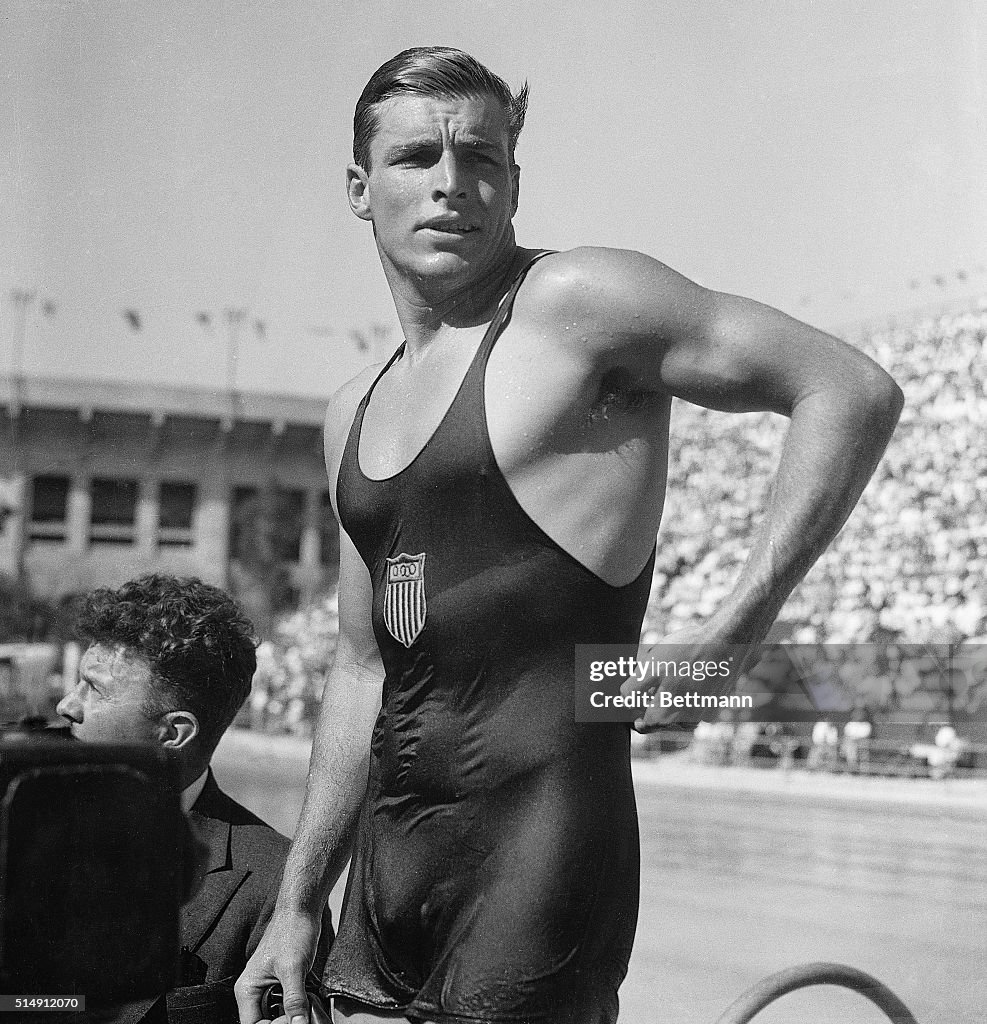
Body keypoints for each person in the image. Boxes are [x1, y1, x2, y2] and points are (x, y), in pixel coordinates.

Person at [235, 47, 903, 1024]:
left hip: (543, 850)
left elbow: (847, 388)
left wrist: (732, 636)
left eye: (482, 158)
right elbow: (361, 665)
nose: (452, 183)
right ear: (358, 188)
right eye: (417, 157)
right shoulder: (353, 410)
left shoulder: (577, 303)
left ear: (513, 182)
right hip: (388, 870)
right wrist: (299, 902)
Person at [57, 573, 333, 1022]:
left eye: (95, 689)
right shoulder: (18, 826)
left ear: (173, 733)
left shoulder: (283, 887)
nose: (67, 706)